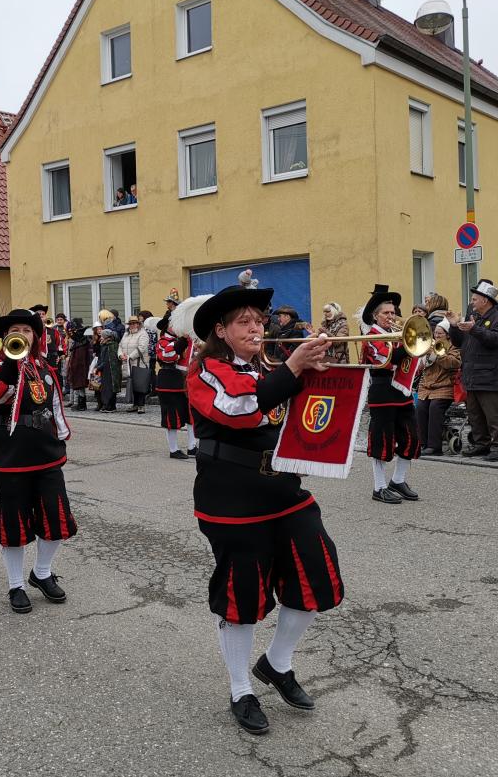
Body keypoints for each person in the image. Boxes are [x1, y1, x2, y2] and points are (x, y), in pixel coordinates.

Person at [186, 284, 343, 736]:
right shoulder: (205, 370)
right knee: (242, 597)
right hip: (231, 498)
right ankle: (241, 689)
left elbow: (298, 408)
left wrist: (322, 372)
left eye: (259, 319)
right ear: (221, 330)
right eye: (244, 321)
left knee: (316, 575)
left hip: (283, 490)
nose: (256, 327)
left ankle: (276, 663)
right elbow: (241, 409)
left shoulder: (269, 365)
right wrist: (294, 367)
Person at [0, 308, 76, 614]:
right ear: (5, 336)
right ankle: (15, 584)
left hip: (45, 452)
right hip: (10, 454)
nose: (21, 333)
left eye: (27, 329)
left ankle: (42, 573)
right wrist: (11, 361)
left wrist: (61, 436)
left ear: (35, 336)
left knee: (56, 517)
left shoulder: (44, 366)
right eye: (14, 330)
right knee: (14, 523)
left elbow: (56, 402)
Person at [362, 287, 422, 503]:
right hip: (382, 390)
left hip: (402, 391)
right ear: (375, 316)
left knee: (411, 437)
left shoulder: (398, 335)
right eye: (386, 313)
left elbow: (412, 361)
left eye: (393, 312)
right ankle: (378, 487)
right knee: (382, 440)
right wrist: (411, 344)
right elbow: (387, 359)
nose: (391, 316)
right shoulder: (371, 336)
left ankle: (397, 480)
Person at [448, 281, 498, 461]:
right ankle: (481, 444)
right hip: (472, 374)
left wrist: (474, 329)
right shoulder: (474, 317)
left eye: (475, 299)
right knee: (475, 414)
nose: (472, 302)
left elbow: (495, 340)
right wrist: (454, 326)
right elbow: (459, 342)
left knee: (493, 415)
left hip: (489, 375)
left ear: (485, 300)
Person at [154, 314, 196, 458]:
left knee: (190, 415)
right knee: (171, 417)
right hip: (169, 382)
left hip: (185, 382)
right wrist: (184, 340)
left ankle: (192, 446)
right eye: (174, 324)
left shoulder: (184, 340)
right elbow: (169, 355)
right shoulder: (163, 341)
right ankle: (173, 450)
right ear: (167, 327)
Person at [417, 319, 460, 455]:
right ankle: (421, 443)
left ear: (447, 334)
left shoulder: (453, 346)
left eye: (440, 333)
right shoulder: (428, 344)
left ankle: (434, 446)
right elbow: (421, 367)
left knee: (435, 408)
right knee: (420, 408)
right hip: (427, 387)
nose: (436, 335)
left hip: (445, 386)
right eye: (435, 332)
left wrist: (438, 354)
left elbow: (454, 363)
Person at [118, 315, 150, 413]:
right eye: (130, 324)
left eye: (134, 323)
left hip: (139, 362)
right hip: (128, 363)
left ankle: (141, 405)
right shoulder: (126, 334)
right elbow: (120, 345)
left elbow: (141, 348)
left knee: (140, 384)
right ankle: (135, 404)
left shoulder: (143, 334)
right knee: (133, 384)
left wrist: (130, 356)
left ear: (138, 324)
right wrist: (120, 355)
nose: (132, 325)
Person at [66, 320, 93, 411]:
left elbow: (82, 359)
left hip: (81, 368)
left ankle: (82, 404)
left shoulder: (83, 342)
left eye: (73, 331)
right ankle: (80, 403)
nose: (72, 333)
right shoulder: (78, 341)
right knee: (78, 386)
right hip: (76, 367)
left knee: (80, 384)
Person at [95, 327, 120, 411]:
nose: (101, 338)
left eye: (102, 336)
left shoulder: (110, 346)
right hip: (108, 370)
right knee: (109, 388)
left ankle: (109, 406)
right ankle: (110, 405)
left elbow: (106, 360)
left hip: (109, 371)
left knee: (108, 388)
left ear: (107, 337)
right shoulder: (107, 345)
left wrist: (98, 368)